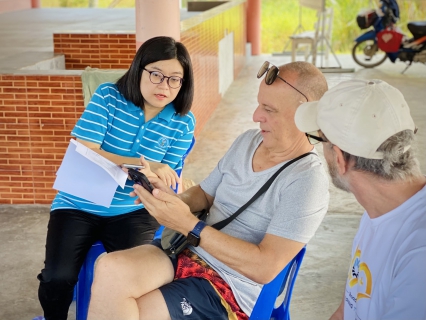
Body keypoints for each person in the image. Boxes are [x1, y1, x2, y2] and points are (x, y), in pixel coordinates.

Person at [87, 61, 330, 319]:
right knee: (108, 268)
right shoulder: (248, 140)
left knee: (137, 310)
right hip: (184, 249)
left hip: (227, 286)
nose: (256, 116)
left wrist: (190, 225)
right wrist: (172, 201)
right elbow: (204, 194)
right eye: (259, 104)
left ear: (306, 117)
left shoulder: (307, 181)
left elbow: (265, 267)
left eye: (269, 109)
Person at [37, 36, 196, 320]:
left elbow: (163, 178)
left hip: (133, 209)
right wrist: (145, 164)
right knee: (57, 278)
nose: (164, 86)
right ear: (139, 68)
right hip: (77, 204)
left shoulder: (183, 122)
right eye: (157, 75)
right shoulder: (108, 96)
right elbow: (86, 149)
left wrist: (160, 178)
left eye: (175, 79)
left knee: (134, 279)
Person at [294, 79, 426, 320]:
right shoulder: (380, 210)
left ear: (339, 158)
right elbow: (348, 310)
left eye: (320, 139)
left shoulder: (418, 253)